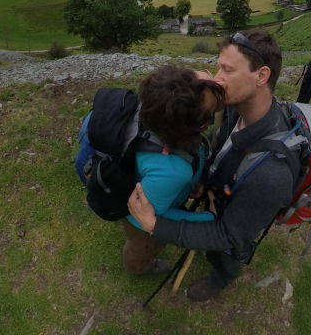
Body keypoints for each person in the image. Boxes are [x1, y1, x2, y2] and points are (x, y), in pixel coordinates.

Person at [127, 29, 295, 301]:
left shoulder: (272, 175)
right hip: (221, 191)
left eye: (227, 70)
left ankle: (222, 277)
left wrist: (155, 225)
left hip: (232, 222)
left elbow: (228, 234)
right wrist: (205, 180)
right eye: (218, 67)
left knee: (225, 252)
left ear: (261, 76)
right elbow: (219, 150)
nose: (217, 79)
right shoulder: (231, 107)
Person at [76, 65, 226, 275]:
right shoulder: (172, 171)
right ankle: (140, 267)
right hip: (138, 214)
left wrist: (195, 181)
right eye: (210, 115)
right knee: (143, 248)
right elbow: (148, 215)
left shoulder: (156, 105)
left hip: (148, 184)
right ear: (196, 128)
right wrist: (208, 219)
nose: (215, 80)